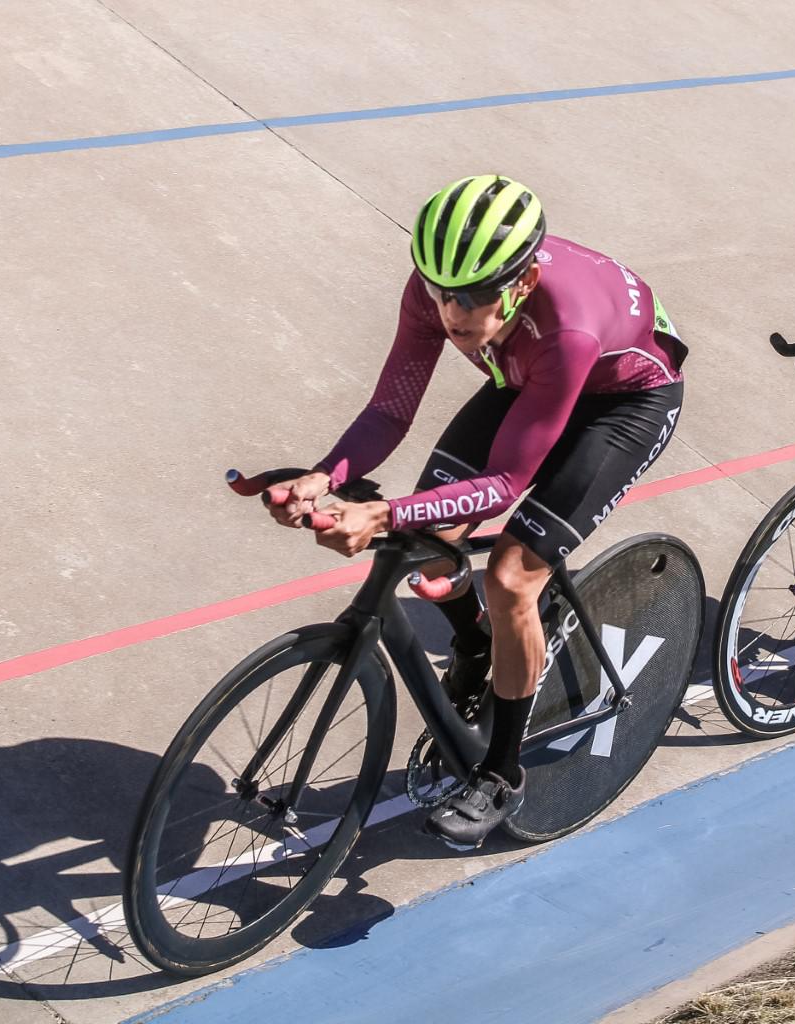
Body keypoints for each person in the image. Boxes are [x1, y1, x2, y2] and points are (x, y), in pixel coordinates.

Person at [267, 175, 687, 847]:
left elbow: (502, 483)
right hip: (530, 375)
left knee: (513, 577)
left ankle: (500, 773)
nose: (451, 313)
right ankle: (473, 638)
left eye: (472, 297)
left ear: (519, 285)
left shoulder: (567, 327)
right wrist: (325, 476)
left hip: (622, 405)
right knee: (429, 540)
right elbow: (389, 408)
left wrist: (378, 515)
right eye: (439, 292)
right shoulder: (435, 290)